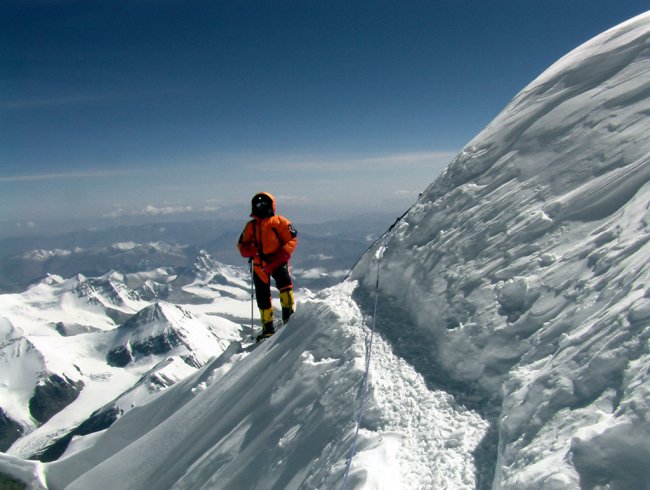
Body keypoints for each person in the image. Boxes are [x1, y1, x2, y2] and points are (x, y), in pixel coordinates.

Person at [237, 192, 298, 339]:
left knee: (285, 285)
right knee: (263, 296)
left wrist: (281, 256)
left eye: (263, 204)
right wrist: (248, 250)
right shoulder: (251, 226)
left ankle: (288, 317)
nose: (261, 207)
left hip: (277, 261)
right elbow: (241, 245)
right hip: (259, 265)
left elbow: (291, 239)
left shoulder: (280, 222)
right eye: (258, 204)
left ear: (271, 205)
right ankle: (268, 328)